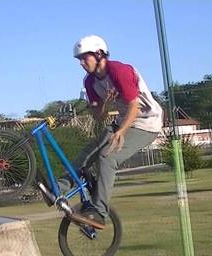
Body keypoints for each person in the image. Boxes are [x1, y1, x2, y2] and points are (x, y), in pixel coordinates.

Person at [57, 35, 164, 226]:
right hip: (123, 121)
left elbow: (134, 106)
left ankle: (99, 213)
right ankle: (59, 188)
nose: (81, 63)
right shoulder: (90, 82)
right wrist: (103, 104)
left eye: (85, 58)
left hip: (147, 123)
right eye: (79, 60)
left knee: (108, 158)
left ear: (99, 54)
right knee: (88, 152)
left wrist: (121, 131)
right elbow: (99, 117)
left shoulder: (119, 71)